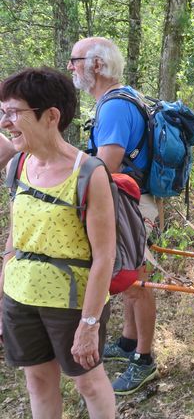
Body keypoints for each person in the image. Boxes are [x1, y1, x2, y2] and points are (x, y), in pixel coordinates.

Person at [0, 68, 116, 419]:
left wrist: (90, 323)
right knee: (37, 381)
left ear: (51, 116)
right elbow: (13, 238)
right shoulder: (17, 165)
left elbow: (104, 256)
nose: (7, 122)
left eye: (14, 112)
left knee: (88, 383)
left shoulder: (89, 172)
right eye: (3, 112)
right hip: (20, 295)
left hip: (71, 301)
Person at [68, 36, 159, 395]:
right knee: (129, 278)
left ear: (96, 65)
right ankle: (127, 341)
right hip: (133, 199)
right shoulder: (120, 98)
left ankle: (145, 358)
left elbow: (105, 168)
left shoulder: (115, 107)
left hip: (131, 204)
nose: (71, 67)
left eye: (75, 60)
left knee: (136, 281)